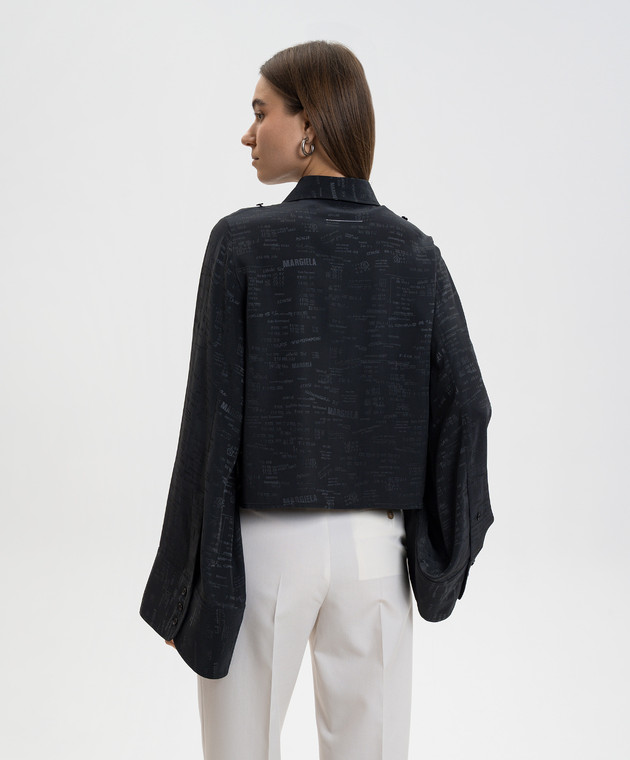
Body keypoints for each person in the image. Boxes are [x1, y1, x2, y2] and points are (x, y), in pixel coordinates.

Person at [140, 41, 493, 760]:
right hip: (377, 551)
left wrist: (183, 584)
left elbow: (211, 419)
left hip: (264, 548)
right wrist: (439, 554)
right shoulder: (415, 253)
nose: (248, 134)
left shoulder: (241, 244)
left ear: (310, 125)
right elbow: (468, 407)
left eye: (261, 112)